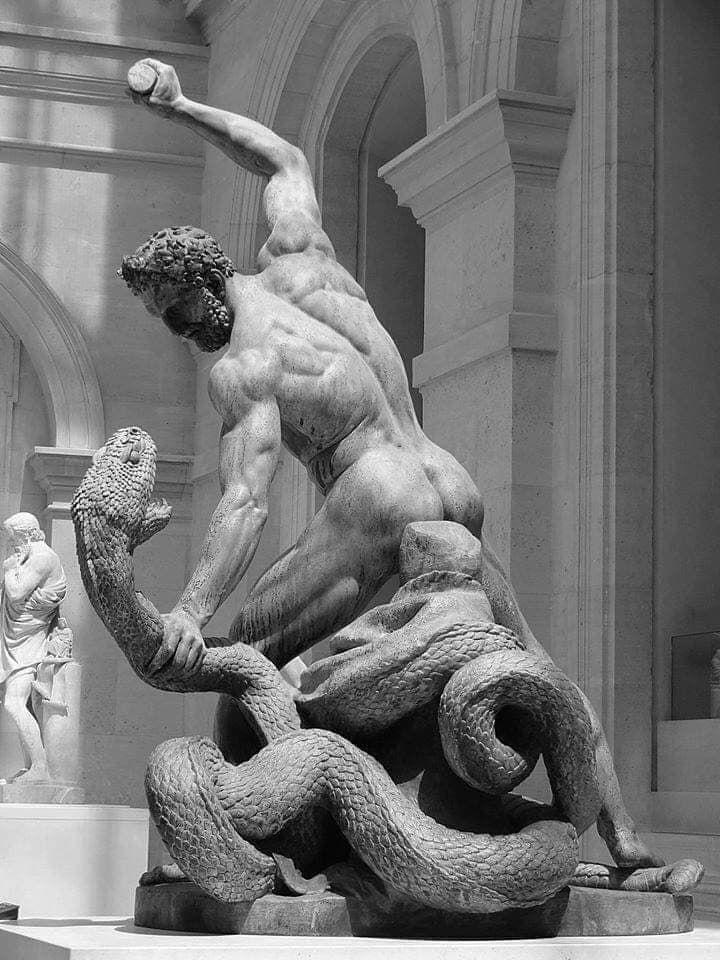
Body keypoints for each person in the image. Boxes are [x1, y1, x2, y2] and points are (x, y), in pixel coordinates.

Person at [122, 60, 661, 868]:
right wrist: (180, 105)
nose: (181, 333)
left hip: (378, 493)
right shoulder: (303, 259)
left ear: (203, 283)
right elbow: (283, 159)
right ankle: (622, 837)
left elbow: (245, 501)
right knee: (532, 655)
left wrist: (193, 611)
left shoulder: (244, 364)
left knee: (246, 660)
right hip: (449, 481)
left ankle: (251, 850)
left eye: (177, 313)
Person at [0, 513, 66, 783]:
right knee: (22, 702)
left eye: (13, 539)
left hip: (29, 639)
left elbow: (16, 593)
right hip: (20, 637)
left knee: (14, 702)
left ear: (26, 535)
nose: (12, 545)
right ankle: (31, 767)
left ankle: (40, 767)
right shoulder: (29, 556)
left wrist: (8, 569)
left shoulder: (42, 557)